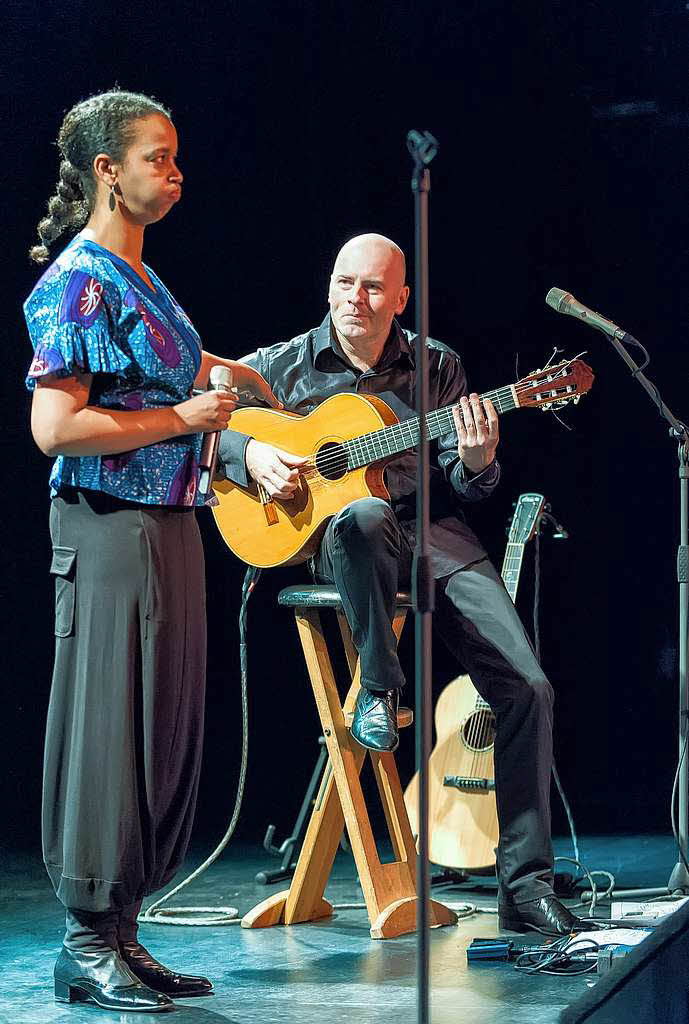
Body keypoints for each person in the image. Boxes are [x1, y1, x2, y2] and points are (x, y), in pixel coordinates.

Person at [218, 232, 580, 937]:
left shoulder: (436, 365)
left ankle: (524, 887)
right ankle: (381, 689)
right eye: (345, 282)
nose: (357, 297)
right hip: (337, 544)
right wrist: (250, 451)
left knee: (528, 687)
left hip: (433, 539)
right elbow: (204, 423)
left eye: (374, 287)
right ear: (328, 286)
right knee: (360, 511)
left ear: (401, 297)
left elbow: (464, 483)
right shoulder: (275, 367)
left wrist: (477, 459)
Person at [25, 89, 279, 1013]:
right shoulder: (81, 278)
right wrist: (184, 414)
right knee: (109, 731)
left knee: (157, 728)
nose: (174, 174)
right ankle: (85, 941)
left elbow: (156, 368)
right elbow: (55, 428)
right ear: (107, 171)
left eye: (174, 158)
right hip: (106, 527)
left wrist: (226, 374)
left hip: (169, 518)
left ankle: (123, 934)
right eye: (157, 158)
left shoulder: (142, 277)